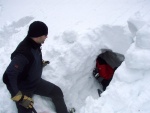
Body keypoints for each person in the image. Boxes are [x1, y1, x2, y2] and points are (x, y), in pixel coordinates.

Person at [3, 21, 71, 113]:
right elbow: (7, 77)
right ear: (38, 35)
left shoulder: (34, 43)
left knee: (57, 92)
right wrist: (20, 98)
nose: (46, 37)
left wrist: (39, 63)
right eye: (45, 34)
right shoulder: (23, 53)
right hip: (23, 89)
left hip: (35, 82)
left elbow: (31, 60)